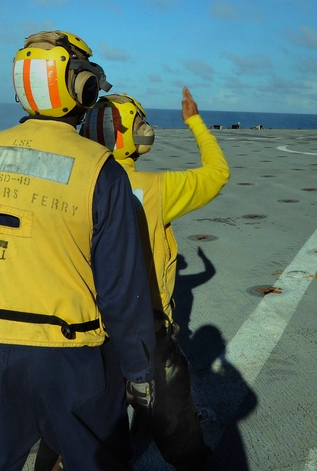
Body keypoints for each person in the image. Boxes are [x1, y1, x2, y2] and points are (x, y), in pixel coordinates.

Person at [0, 30, 157, 471]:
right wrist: (139, 371)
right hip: (71, 357)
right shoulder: (101, 171)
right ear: (79, 88)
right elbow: (120, 288)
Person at [79, 86, 230, 470]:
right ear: (130, 134)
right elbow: (217, 173)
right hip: (146, 331)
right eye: (140, 123)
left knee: (85, 426)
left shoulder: (74, 184)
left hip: (85, 327)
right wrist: (194, 121)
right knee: (176, 422)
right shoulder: (157, 189)